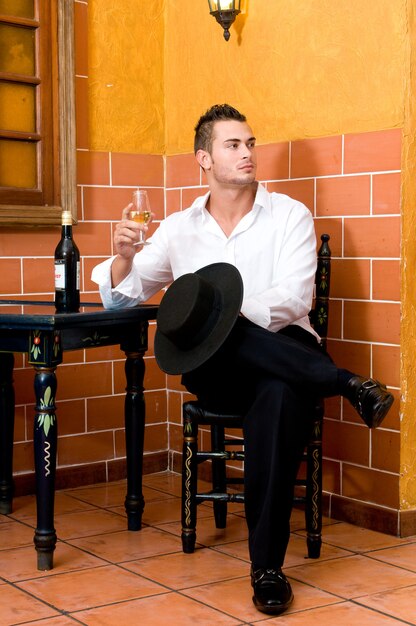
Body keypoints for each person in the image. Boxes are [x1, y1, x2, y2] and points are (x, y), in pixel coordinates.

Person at [91, 104, 394, 616]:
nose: (248, 153)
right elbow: (120, 298)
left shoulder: (289, 214)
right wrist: (122, 256)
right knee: (223, 338)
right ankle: (344, 383)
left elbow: (295, 300)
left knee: (277, 392)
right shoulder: (177, 227)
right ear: (203, 159)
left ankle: (267, 569)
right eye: (233, 145)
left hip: (284, 351)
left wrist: (224, 316)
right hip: (218, 368)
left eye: (250, 143)